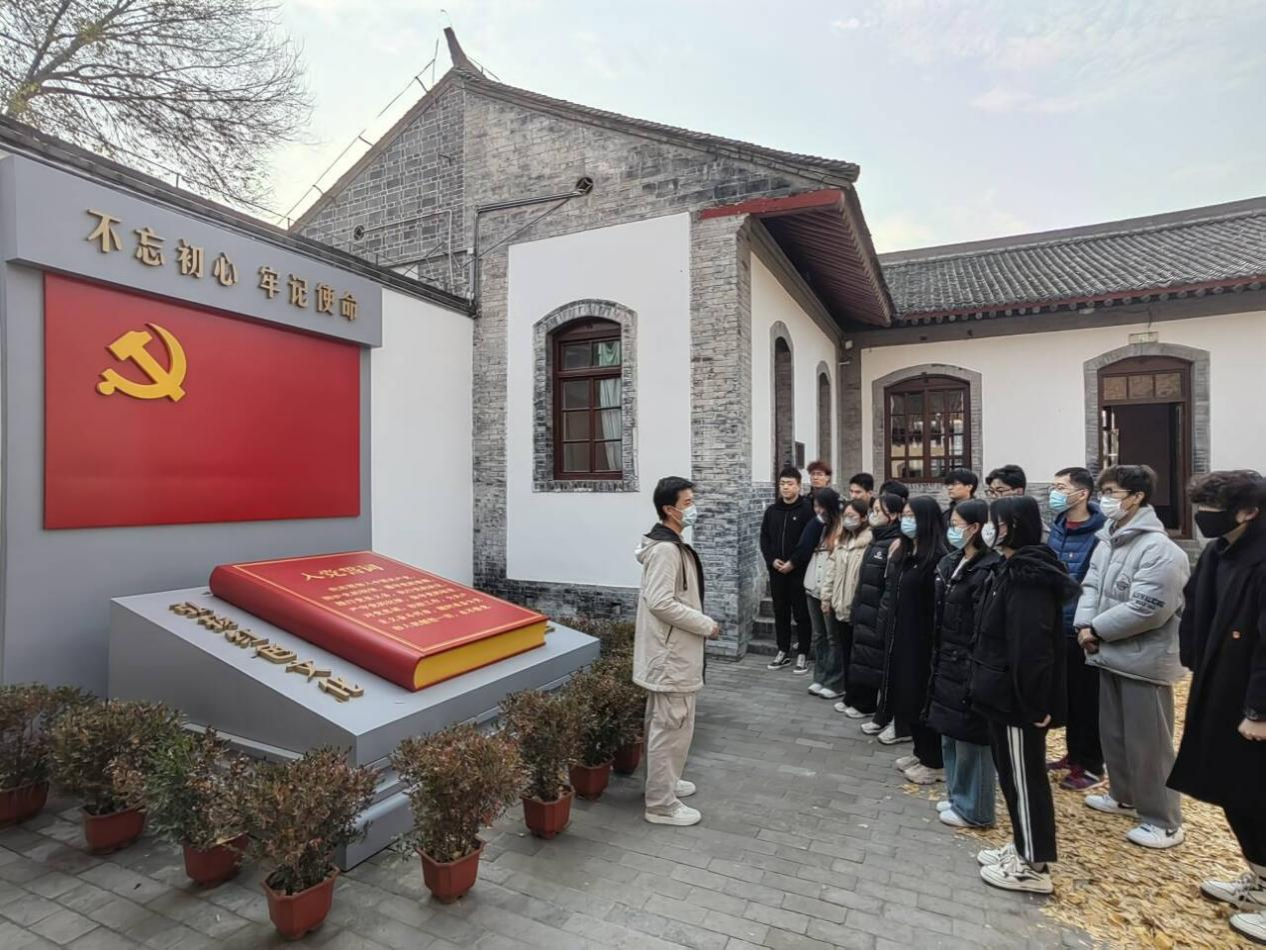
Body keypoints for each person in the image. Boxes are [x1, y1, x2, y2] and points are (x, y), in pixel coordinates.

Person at [1168, 471, 1266, 945]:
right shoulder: (1218, 552)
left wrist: (1260, 709)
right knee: (1233, 789)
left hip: (1251, 696)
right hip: (1218, 683)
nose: (1203, 517)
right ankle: (1259, 877)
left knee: (1256, 791)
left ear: (1248, 512)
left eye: (1212, 509)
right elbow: (1194, 606)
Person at [1075, 464, 1189, 850]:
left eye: (1112, 493)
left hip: (1144, 659)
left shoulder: (1160, 549)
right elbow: (1091, 585)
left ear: (1137, 497)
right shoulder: (1108, 539)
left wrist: (1097, 629)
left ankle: (1163, 820)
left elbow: (1148, 608)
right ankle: (1123, 795)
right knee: (1114, 734)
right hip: (1107, 651)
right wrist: (1084, 625)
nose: (1105, 500)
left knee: (1149, 744)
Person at [973, 496, 1079, 894]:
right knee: (1011, 776)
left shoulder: (1029, 577)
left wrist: (1035, 702)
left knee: (1024, 777)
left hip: (1017, 700)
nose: (990, 529)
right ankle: (1021, 844)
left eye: (996, 523)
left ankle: (1034, 864)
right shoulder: (1009, 567)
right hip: (1000, 692)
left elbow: (1032, 648)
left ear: (1014, 526)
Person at [634, 476, 720, 827]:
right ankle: (661, 804)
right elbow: (660, 602)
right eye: (688, 503)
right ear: (669, 510)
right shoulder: (666, 550)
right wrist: (704, 624)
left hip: (672, 653)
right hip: (671, 656)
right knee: (671, 726)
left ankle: (665, 782)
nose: (693, 508)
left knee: (668, 724)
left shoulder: (670, 545)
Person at [925, 498, 1000, 827]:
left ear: (975, 528)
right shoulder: (952, 561)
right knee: (951, 730)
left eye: (956, 525)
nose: (952, 530)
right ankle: (958, 796)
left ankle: (976, 808)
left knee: (972, 737)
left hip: (968, 658)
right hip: (947, 655)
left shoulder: (989, 567)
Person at [1045, 466, 1107, 790]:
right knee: (1067, 697)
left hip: (1081, 628)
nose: (1054, 493)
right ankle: (1073, 755)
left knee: (1086, 700)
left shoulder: (1101, 532)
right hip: (1056, 622)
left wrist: (1089, 625)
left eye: (1061, 487)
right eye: (1054, 486)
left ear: (1082, 494)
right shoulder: (1057, 526)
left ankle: (1092, 765)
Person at [876, 495, 948, 773]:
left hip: (922, 641)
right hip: (901, 636)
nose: (906, 522)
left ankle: (933, 761)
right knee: (906, 696)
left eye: (911, 517)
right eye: (904, 516)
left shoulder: (937, 559)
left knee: (921, 697)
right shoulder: (906, 554)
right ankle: (919, 752)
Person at [851, 491, 905, 732]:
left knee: (879, 666)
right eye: (872, 510)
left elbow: (888, 588)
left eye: (877, 511)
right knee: (867, 661)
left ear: (892, 515)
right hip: (866, 608)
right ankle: (869, 706)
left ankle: (883, 713)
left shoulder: (895, 544)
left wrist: (880, 618)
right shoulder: (876, 539)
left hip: (878, 614)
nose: (873, 515)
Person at [823, 498, 873, 717]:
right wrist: (826, 597)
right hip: (840, 606)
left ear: (864, 517)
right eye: (846, 516)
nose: (848, 520)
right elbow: (831, 570)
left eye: (853, 516)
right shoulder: (842, 540)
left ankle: (863, 702)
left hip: (859, 608)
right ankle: (849, 696)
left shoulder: (870, 541)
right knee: (846, 654)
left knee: (860, 657)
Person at [760, 467, 814, 672]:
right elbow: (764, 539)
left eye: (790, 484)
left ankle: (803, 653)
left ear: (799, 486)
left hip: (798, 571)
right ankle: (783, 650)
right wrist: (772, 560)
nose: (785, 487)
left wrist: (793, 562)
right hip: (776, 571)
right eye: (782, 483)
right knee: (780, 611)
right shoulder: (772, 511)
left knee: (801, 613)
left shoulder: (807, 510)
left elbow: (808, 542)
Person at [805, 488, 844, 698]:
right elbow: (803, 546)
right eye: (815, 506)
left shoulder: (842, 528)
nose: (818, 510)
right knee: (818, 635)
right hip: (812, 585)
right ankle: (819, 677)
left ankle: (835, 681)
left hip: (830, 589)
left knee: (832, 637)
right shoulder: (818, 526)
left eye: (821, 506)